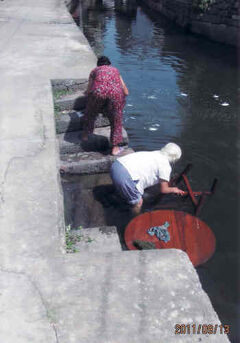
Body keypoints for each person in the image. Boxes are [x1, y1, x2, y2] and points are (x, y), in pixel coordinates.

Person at [110, 143, 185, 215]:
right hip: (124, 177)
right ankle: (134, 218)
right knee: (138, 202)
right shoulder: (165, 166)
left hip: (116, 165)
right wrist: (174, 189)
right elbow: (164, 189)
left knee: (129, 191)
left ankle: (120, 197)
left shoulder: (155, 153)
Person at [82, 56, 129, 156]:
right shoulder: (115, 70)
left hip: (99, 93)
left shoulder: (94, 70)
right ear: (109, 64)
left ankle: (86, 135)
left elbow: (89, 89)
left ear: (98, 65)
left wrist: (88, 95)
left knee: (90, 112)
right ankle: (115, 148)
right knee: (116, 119)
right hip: (115, 95)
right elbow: (125, 90)